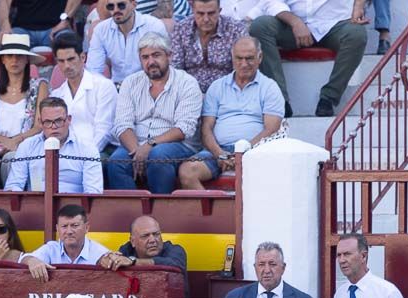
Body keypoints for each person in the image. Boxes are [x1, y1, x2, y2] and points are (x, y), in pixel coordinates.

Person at [177, 36, 283, 189]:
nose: (244, 64)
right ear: (232, 57)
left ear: (260, 58)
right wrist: (220, 154)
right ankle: (216, 213)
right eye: (239, 58)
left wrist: (242, 152)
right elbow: (206, 128)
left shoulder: (269, 87)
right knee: (187, 172)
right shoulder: (217, 86)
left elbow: (271, 130)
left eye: (249, 58)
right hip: (219, 150)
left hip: (256, 151)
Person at [106, 33, 201, 194]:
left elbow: (184, 129)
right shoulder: (130, 83)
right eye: (145, 57)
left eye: (156, 55)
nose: (151, 62)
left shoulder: (187, 83)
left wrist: (149, 145)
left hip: (178, 145)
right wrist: (138, 151)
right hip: (137, 144)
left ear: (169, 56)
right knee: (116, 161)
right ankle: (134, 214)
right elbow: (122, 124)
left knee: (158, 156)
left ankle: (161, 212)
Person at [250, 0, 369, 117]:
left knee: (357, 34)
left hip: (334, 23)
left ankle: (329, 98)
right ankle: (279, 100)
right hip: (291, 26)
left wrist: (358, 6)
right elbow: (272, 2)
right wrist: (295, 22)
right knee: (260, 26)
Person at [0, 34, 48, 176]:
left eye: (19, 56)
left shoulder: (39, 86)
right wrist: (3, 140)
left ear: (27, 59)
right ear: (3, 60)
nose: (14, 60)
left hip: (27, 145)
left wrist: (16, 140)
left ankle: (12, 196)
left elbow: (40, 125)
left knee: (11, 160)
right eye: (9, 56)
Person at [4, 96, 103, 193]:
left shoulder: (87, 148)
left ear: (69, 119)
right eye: (48, 122)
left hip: (75, 207)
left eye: (59, 121)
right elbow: (13, 185)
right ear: (40, 122)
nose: (54, 127)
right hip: (36, 204)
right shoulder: (27, 146)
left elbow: (93, 191)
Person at [49, 32, 117, 154]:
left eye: (71, 59)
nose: (67, 66)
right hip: (67, 152)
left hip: (101, 150)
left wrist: (84, 157)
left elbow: (104, 130)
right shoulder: (56, 94)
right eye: (61, 61)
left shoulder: (104, 86)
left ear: (83, 58)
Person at [21, 203, 119, 281]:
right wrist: (32, 261)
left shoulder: (100, 252)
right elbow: (24, 258)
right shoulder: (51, 248)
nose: (69, 231)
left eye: (75, 225)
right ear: (57, 229)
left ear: (86, 228)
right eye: (64, 226)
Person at [170, 0, 249, 92]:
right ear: (193, 11)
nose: (206, 19)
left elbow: (243, 69)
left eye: (211, 13)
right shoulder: (181, 29)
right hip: (189, 91)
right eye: (200, 14)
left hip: (227, 91)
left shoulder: (236, 30)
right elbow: (176, 68)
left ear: (219, 11)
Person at [86, 0, 167, 84]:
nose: (116, 10)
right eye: (111, 7)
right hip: (117, 88)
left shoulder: (153, 26)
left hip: (148, 85)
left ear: (134, 5)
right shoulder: (101, 30)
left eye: (121, 5)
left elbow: (162, 66)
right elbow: (93, 70)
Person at [113, 214, 189, 298]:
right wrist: (105, 259)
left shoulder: (175, 250)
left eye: (156, 234)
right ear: (133, 241)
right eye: (145, 236)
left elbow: (174, 264)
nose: (153, 240)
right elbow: (114, 262)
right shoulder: (127, 250)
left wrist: (133, 262)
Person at [222, 241, 314, 298]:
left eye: (272, 264)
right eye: (261, 264)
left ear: (283, 268)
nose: (267, 271)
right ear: (255, 268)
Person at [331, 232, 404, 298]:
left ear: (363, 256)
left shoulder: (388, 292)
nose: (341, 260)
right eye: (339, 255)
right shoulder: (339, 294)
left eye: (347, 254)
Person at [0, 0, 81, 48]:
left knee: (69, 46)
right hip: (22, 29)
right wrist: (5, 26)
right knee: (8, 45)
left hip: (57, 28)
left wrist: (64, 21)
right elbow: (4, 2)